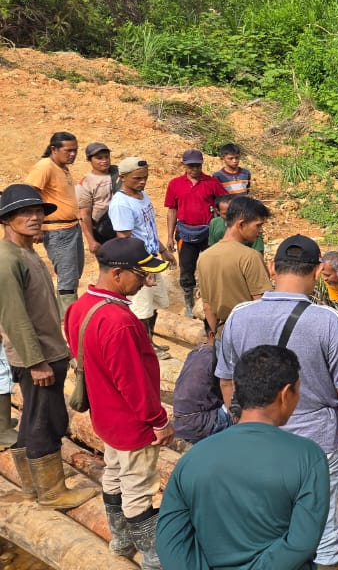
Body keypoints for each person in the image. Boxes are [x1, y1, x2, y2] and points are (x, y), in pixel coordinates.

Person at [217, 234, 338, 570]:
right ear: (317, 271)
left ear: (272, 267)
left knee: (267, 513)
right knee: (324, 521)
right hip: (318, 439)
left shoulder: (240, 315)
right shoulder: (328, 320)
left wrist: (239, 423)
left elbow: (226, 379)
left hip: (257, 436)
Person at [157, 345, 330, 570]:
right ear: (286, 393)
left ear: (237, 388)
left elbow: (169, 542)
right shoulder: (308, 457)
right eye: (298, 391)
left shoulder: (194, 458)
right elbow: (301, 543)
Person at [65, 238, 172, 567]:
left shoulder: (80, 307)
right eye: (141, 275)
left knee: (114, 474)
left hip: (105, 415)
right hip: (132, 422)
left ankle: (120, 541)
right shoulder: (120, 321)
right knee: (138, 488)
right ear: (118, 274)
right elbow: (134, 383)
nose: (146, 282)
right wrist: (159, 421)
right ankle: (153, 558)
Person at [0, 183, 96, 509]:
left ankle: (31, 487)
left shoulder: (24, 253)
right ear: (7, 219)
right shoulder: (7, 259)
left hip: (43, 351)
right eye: (24, 213)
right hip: (37, 356)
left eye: (38, 211)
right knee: (48, 420)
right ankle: (53, 492)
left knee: (31, 418)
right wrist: (36, 362)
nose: (34, 217)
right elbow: (14, 316)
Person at [108, 157, 177, 360]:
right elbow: (124, 239)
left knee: (155, 303)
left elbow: (149, 228)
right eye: (137, 178)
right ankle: (143, 345)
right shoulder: (121, 204)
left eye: (145, 177)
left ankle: (149, 340)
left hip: (152, 258)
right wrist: (141, 268)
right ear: (122, 177)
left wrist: (163, 249)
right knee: (141, 308)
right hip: (139, 262)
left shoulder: (142, 196)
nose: (142, 182)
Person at [195, 195, 272, 338]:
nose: (260, 231)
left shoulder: (204, 257)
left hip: (222, 334)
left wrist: (214, 339)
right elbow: (261, 304)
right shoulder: (250, 257)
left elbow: (207, 306)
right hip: (248, 333)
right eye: (258, 225)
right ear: (241, 224)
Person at [164, 148, 224, 318]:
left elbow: (223, 205)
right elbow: (172, 210)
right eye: (191, 166)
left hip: (208, 233)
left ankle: (210, 299)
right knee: (186, 269)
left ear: (202, 164)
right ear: (184, 165)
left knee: (212, 267)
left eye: (197, 165)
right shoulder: (175, 184)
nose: (194, 169)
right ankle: (189, 302)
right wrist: (169, 236)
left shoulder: (211, 183)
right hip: (185, 233)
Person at [25, 131, 83, 307]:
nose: (73, 154)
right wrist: (35, 227)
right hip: (57, 231)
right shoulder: (44, 167)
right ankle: (67, 323)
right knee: (67, 278)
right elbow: (28, 195)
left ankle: (66, 317)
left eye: (75, 150)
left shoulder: (62, 167)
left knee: (73, 275)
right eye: (68, 150)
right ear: (54, 149)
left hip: (72, 228)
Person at [76, 141, 118, 256]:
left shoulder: (118, 173)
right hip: (103, 230)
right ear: (89, 160)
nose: (104, 160)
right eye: (99, 158)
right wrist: (91, 241)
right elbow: (84, 215)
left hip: (123, 225)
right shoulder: (86, 183)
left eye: (106, 157)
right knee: (109, 265)